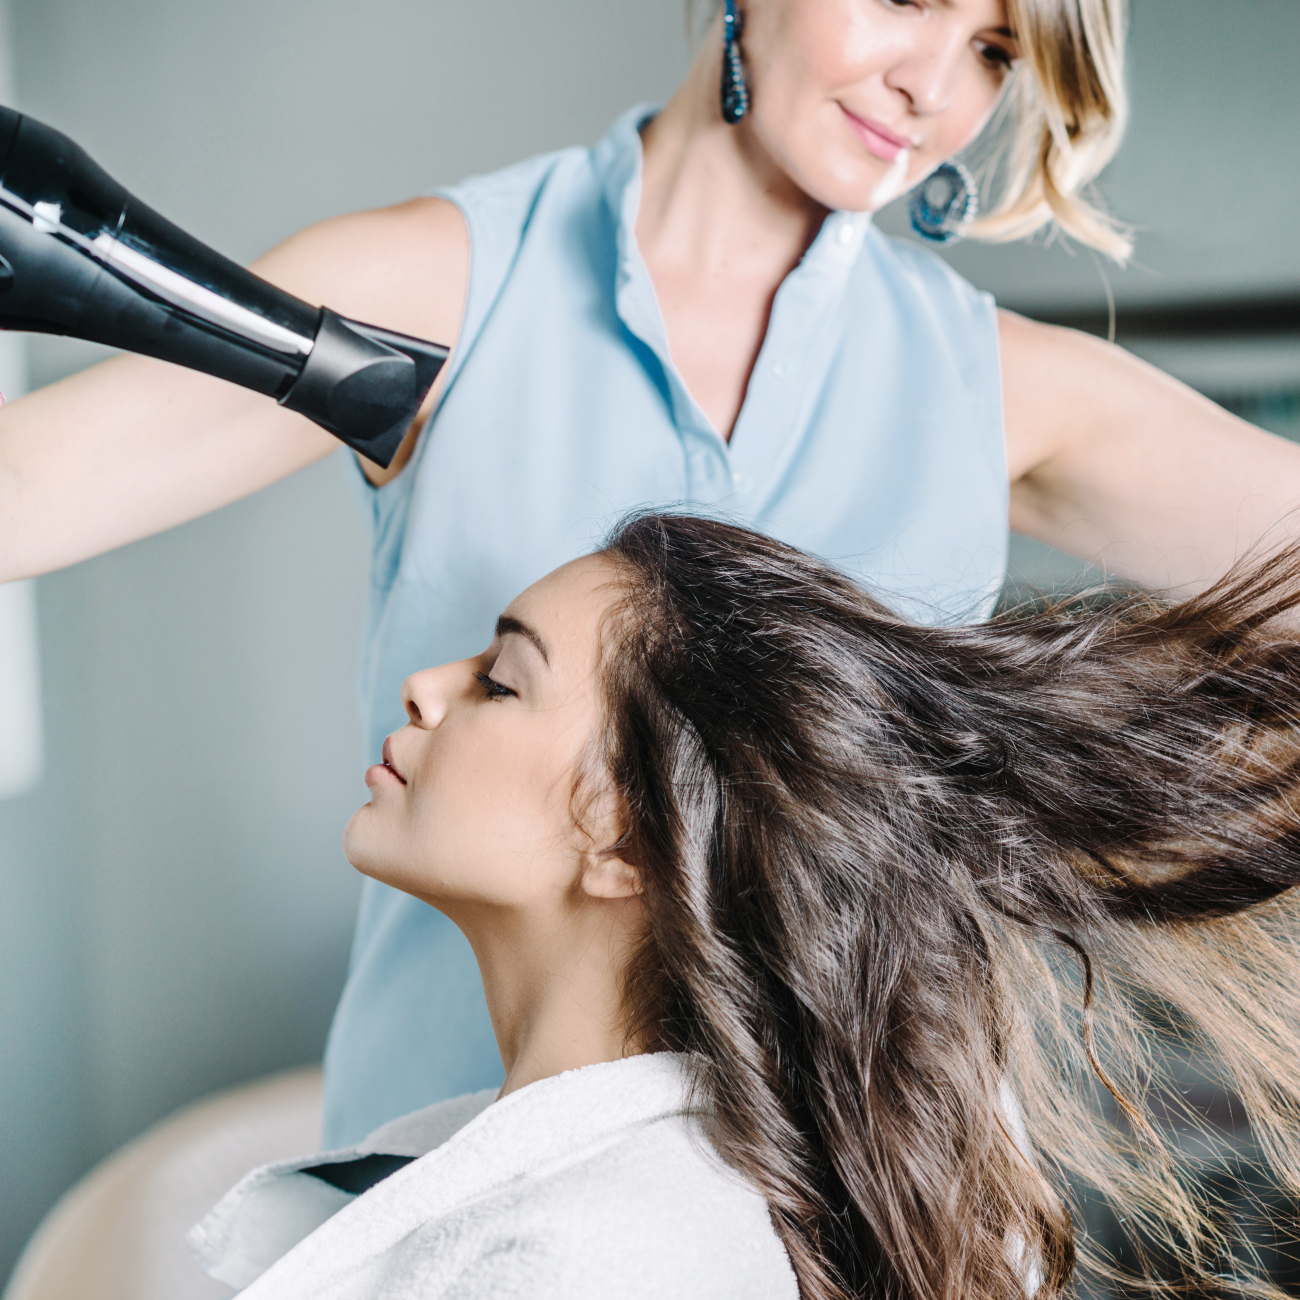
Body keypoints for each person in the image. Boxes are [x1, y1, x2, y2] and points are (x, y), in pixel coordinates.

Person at [3, 0, 1299, 1147]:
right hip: (442, 1193)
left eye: (993, 50)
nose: (936, 88)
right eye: (908, 1)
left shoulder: (1000, 391)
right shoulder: (439, 294)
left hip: (852, 1214)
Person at [190, 512, 1300, 1300]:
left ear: (624, 836)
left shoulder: (592, 1260)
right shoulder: (628, 1207)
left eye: (499, 680)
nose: (423, 685)